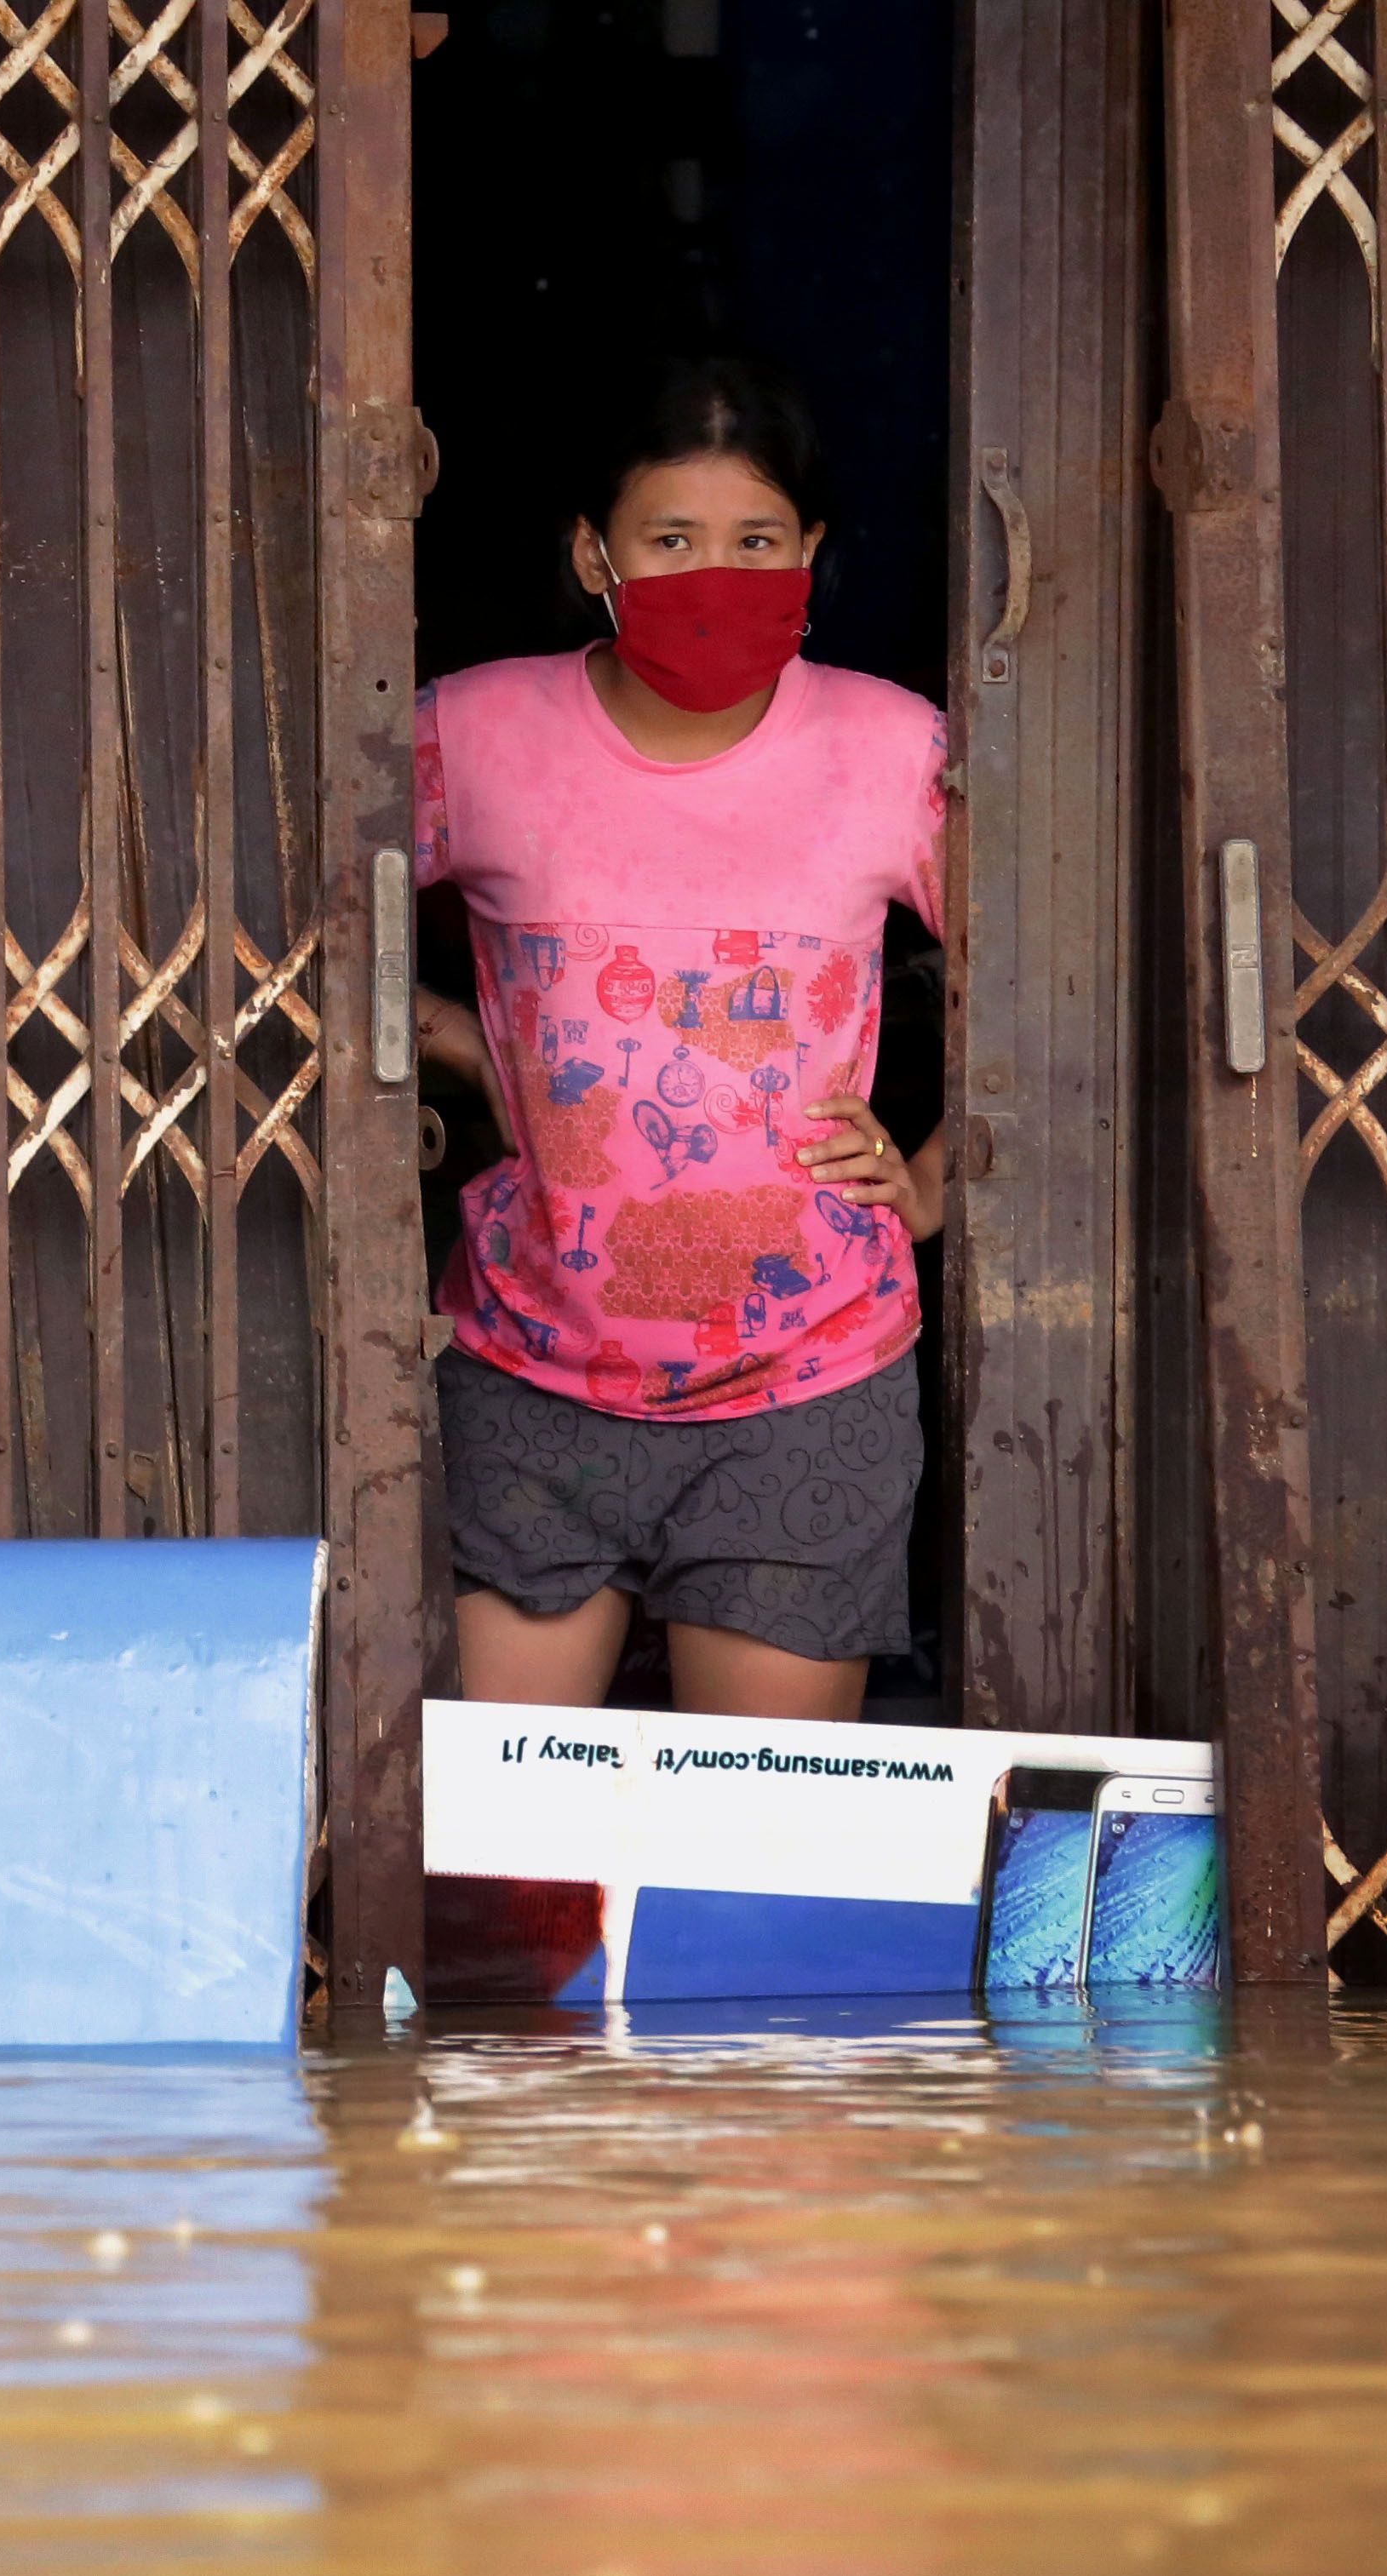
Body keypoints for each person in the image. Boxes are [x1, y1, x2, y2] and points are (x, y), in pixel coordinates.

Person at [411, 354, 949, 1723]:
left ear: (813, 552)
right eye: (671, 540)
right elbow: (285, 937)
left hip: (810, 1377)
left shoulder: (894, 751)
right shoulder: (469, 736)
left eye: (756, 542)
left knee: (751, 1850)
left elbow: (1056, 979)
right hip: (532, 1369)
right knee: (499, 1863)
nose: (716, 573)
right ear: (593, 552)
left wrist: (935, 1183)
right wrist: (476, 1055)